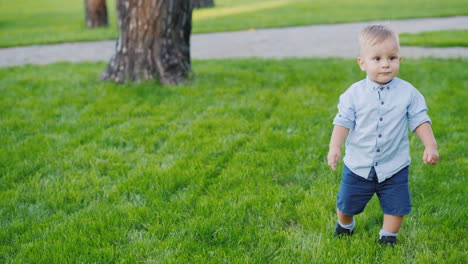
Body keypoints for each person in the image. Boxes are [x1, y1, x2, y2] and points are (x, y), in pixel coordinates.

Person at [327, 24, 439, 245]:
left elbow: (419, 120)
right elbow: (342, 123)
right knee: (347, 203)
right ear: (362, 63)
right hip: (358, 165)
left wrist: (430, 146)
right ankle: (345, 225)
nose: (386, 64)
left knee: (397, 205)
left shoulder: (408, 93)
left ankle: (388, 236)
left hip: (394, 165)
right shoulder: (354, 94)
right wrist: (334, 147)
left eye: (392, 58)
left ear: (400, 60)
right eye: (377, 58)